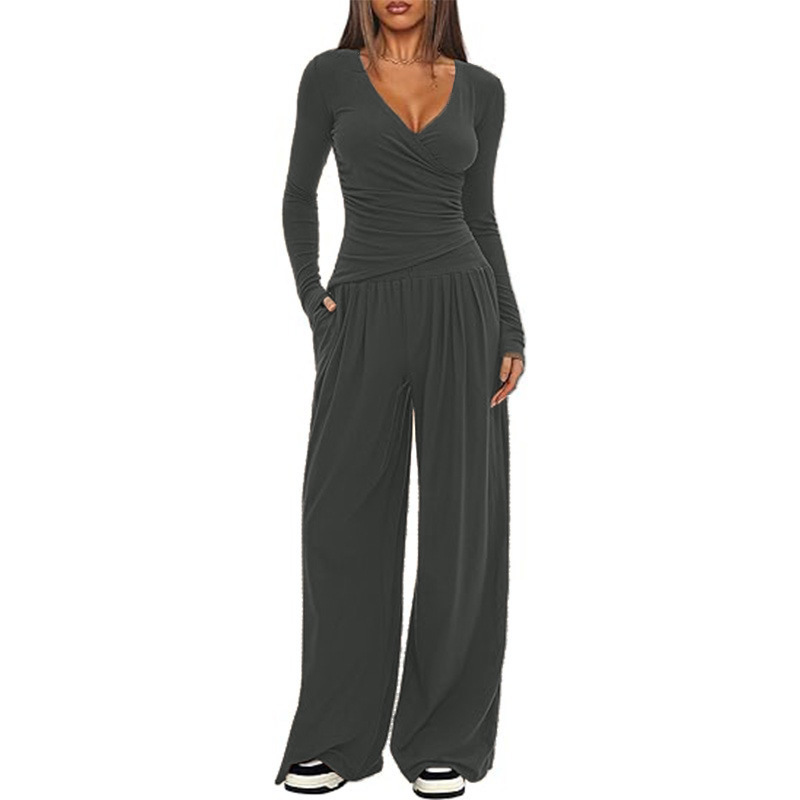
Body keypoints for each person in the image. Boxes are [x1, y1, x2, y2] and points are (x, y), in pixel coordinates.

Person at [275, 1, 525, 796]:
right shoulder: (329, 76)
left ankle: (441, 736)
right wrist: (315, 302)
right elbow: (298, 195)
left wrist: (510, 326)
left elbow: (481, 215)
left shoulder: (482, 89)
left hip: (463, 305)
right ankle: (335, 736)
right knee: (341, 517)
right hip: (362, 308)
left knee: (462, 524)